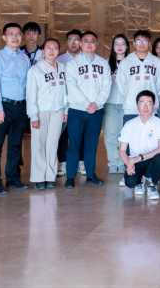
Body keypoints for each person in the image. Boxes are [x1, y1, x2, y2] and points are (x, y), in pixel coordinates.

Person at [65, 31, 112, 189]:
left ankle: (91, 175)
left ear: (96, 44)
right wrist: (87, 104)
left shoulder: (103, 63)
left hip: (96, 110)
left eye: (92, 41)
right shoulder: (72, 64)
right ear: (81, 44)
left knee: (92, 144)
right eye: (86, 41)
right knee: (74, 145)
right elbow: (72, 86)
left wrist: (97, 103)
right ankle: (70, 176)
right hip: (77, 110)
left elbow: (107, 85)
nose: (89, 44)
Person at [0, 23, 30, 195]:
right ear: (4, 37)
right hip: (3, 106)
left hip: (20, 107)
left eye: (18, 34)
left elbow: (27, 84)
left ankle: (12, 178)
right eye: (11, 34)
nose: (15, 37)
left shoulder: (24, 57)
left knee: (15, 145)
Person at [26, 38, 67, 191]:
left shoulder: (62, 68)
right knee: (39, 145)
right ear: (43, 51)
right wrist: (33, 115)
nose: (51, 51)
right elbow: (31, 95)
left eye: (55, 48)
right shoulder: (35, 70)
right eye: (48, 48)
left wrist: (66, 110)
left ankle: (50, 177)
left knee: (52, 145)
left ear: (58, 50)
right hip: (41, 112)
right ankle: (38, 178)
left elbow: (66, 91)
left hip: (58, 111)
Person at [119, 91, 160, 201]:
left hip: (152, 161)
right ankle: (140, 181)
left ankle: (152, 185)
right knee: (130, 183)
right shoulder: (129, 124)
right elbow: (122, 150)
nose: (145, 107)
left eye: (149, 103)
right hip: (135, 162)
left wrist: (140, 157)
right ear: (137, 105)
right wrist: (128, 164)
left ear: (153, 105)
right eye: (142, 103)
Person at [117, 30, 160, 123]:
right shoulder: (125, 62)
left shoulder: (157, 62)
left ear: (149, 43)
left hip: (151, 109)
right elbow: (121, 85)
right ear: (134, 43)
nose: (142, 44)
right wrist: (130, 96)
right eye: (139, 41)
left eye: (145, 41)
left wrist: (149, 100)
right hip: (131, 108)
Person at [56, 29, 83, 177]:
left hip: (80, 103)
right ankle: (63, 162)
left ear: (81, 42)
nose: (73, 43)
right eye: (70, 40)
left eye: (76, 40)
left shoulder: (86, 59)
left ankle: (81, 162)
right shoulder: (59, 60)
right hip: (63, 102)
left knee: (80, 134)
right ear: (66, 42)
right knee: (63, 134)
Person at [104, 34, 129, 175]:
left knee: (124, 135)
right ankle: (113, 162)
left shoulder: (131, 63)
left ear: (127, 46)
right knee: (111, 134)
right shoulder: (106, 63)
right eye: (116, 44)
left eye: (122, 43)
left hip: (127, 104)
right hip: (111, 103)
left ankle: (123, 161)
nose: (119, 47)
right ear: (113, 47)